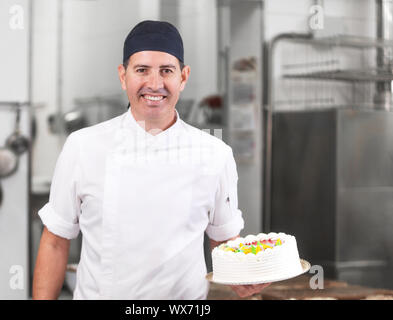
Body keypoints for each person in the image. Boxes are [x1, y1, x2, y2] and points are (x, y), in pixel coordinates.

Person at [33, 20, 270, 300]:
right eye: (142, 70)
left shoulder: (215, 153)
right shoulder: (83, 146)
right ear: (123, 76)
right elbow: (55, 242)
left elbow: (223, 241)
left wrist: (243, 277)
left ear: (183, 77)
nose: (154, 84)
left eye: (166, 71)